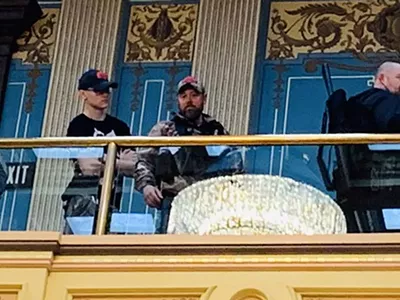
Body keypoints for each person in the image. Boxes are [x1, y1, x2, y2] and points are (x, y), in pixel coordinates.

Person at [134, 76, 243, 234]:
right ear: (178, 100)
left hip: (210, 203)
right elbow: (143, 161)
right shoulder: (164, 129)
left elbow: (235, 168)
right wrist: (147, 186)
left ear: (204, 98)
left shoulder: (217, 131)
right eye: (183, 96)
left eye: (194, 95)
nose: (189, 100)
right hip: (174, 201)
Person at [62, 69, 137, 234]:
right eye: (98, 91)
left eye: (107, 90)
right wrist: (117, 161)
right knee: (78, 250)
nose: (105, 95)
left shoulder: (120, 127)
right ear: (83, 94)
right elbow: (88, 167)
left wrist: (102, 159)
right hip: (82, 197)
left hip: (112, 200)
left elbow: (133, 166)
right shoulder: (78, 125)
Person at [346, 61, 400, 133]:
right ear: (382, 78)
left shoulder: (360, 99)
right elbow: (391, 123)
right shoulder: (386, 99)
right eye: (399, 77)